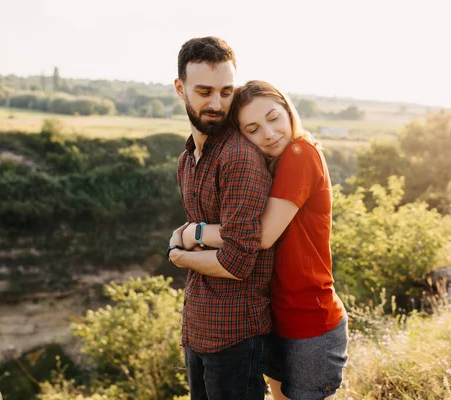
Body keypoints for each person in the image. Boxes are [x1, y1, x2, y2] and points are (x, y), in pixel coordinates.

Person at [180, 80, 349, 400]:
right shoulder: (270, 164)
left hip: (310, 321)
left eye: (273, 118)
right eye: (253, 129)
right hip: (273, 317)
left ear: (288, 110)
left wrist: (194, 232)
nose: (269, 134)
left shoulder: (300, 153)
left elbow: (261, 236)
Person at [166, 37, 274, 400]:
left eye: (227, 91)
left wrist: (180, 256)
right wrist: (191, 238)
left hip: (235, 334)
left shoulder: (238, 158)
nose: (217, 103)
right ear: (180, 88)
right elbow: (203, 235)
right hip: (198, 326)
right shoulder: (187, 158)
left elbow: (238, 260)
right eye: (204, 91)